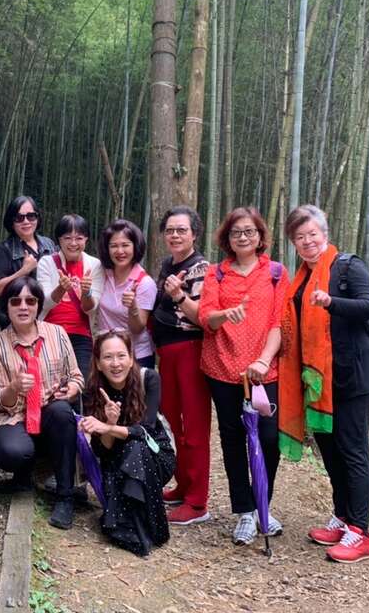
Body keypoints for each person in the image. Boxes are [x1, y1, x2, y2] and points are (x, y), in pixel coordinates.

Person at [279, 204, 369, 563]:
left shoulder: (348, 266)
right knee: (330, 449)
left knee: (353, 450)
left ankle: (361, 531)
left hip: (354, 374)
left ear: (325, 233)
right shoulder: (300, 277)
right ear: (293, 243)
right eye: (299, 237)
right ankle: (342, 517)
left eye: (312, 234)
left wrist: (331, 302)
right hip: (319, 379)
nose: (307, 241)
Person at [198, 207, 288, 546]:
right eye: (236, 232)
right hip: (222, 367)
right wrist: (225, 314)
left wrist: (264, 360)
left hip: (264, 370)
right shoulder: (216, 273)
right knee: (233, 438)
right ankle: (245, 511)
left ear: (260, 236)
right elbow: (206, 318)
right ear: (227, 238)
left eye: (250, 231)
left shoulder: (275, 273)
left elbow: (279, 323)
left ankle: (263, 502)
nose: (243, 237)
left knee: (268, 438)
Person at [0, 277, 83, 529]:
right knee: (12, 451)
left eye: (30, 300)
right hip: (13, 416)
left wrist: (71, 389)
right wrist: (14, 388)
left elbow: (76, 376)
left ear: (38, 305)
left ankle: (65, 495)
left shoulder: (57, 333)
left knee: (62, 412)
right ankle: (24, 471)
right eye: (16, 301)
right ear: (6, 307)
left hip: (49, 411)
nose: (23, 307)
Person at [79, 330, 175, 556]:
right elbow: (103, 450)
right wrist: (110, 423)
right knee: (128, 450)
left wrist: (108, 427)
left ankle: (137, 529)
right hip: (115, 461)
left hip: (156, 454)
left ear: (131, 358)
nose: (116, 363)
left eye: (121, 356)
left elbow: (144, 431)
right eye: (108, 357)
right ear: (98, 363)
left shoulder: (148, 379)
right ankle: (139, 529)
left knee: (135, 446)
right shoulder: (92, 391)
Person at [151, 206, 211, 526]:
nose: (175, 235)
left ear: (194, 234)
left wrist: (178, 296)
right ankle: (184, 484)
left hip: (190, 349)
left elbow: (202, 317)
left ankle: (198, 501)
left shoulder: (201, 268)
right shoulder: (167, 265)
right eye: (170, 230)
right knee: (175, 421)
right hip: (167, 352)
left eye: (181, 230)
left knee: (194, 424)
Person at [36, 213, 103, 382]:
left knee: (81, 383)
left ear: (86, 239)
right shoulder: (46, 262)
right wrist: (60, 288)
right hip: (49, 333)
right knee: (50, 383)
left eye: (79, 238)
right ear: (59, 240)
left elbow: (90, 308)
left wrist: (86, 292)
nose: (73, 243)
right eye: (67, 238)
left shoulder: (95, 265)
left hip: (81, 335)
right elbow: (44, 303)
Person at [96, 220, 157, 368]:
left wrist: (133, 308)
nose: (120, 251)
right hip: (107, 353)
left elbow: (138, 328)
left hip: (136, 356)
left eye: (125, 245)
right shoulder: (102, 274)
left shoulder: (145, 283)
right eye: (113, 246)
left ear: (135, 246)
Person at [0, 195, 57, 328]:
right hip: (16, 320)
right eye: (19, 218)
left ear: (37, 218)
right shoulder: (4, 249)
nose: (26, 221)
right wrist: (23, 271)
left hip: (48, 317)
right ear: (11, 221)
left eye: (31, 216)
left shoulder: (49, 244)